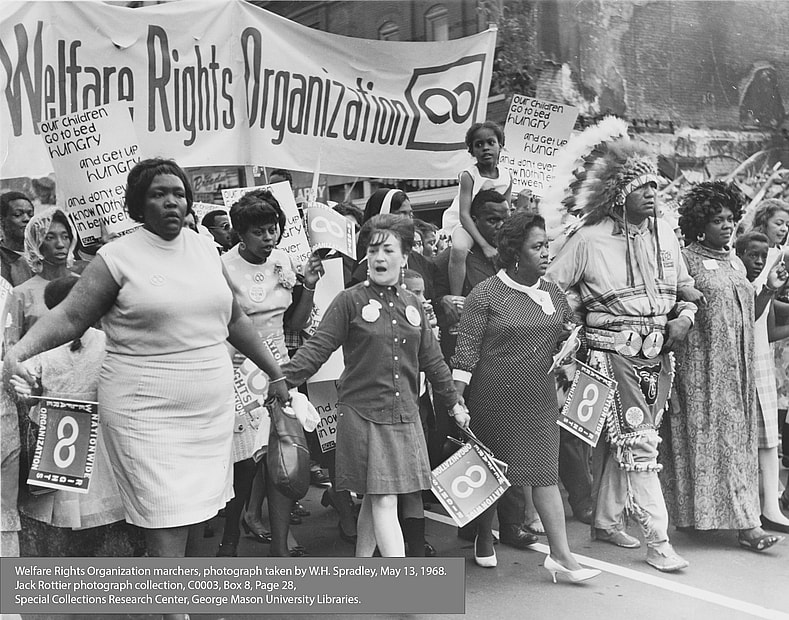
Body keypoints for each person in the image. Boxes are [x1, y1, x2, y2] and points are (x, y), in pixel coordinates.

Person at [3, 159, 289, 616]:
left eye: (178, 192)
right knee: (163, 511)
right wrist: (17, 353)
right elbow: (71, 316)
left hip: (207, 413)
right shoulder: (117, 258)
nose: (171, 200)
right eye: (159, 193)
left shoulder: (203, 249)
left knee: (195, 510)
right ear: (138, 204)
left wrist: (276, 374)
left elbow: (235, 320)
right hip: (145, 413)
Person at [547, 130, 695, 572]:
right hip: (610, 355)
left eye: (654, 186)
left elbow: (686, 287)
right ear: (618, 193)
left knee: (625, 442)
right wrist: (576, 329)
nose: (651, 193)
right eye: (641, 187)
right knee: (640, 443)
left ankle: (607, 521)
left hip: (659, 355)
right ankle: (659, 543)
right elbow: (552, 290)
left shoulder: (666, 233)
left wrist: (685, 317)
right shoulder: (588, 239)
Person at [282, 213, 469, 557]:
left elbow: (432, 361)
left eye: (388, 250)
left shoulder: (414, 303)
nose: (379, 257)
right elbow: (318, 348)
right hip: (363, 415)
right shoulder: (349, 300)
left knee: (376, 497)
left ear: (405, 256)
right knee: (384, 499)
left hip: (405, 415)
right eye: (372, 250)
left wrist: (455, 403)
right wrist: (281, 380)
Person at [452, 211, 600, 583]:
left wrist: (572, 344)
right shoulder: (485, 294)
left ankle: (561, 556)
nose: (546, 253)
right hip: (493, 401)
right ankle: (483, 536)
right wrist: (457, 401)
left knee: (545, 473)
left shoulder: (552, 292)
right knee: (492, 475)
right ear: (515, 251)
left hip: (540, 399)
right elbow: (466, 353)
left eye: (547, 245)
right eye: (537, 247)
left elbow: (569, 330)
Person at [664, 182, 784, 552]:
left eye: (730, 218)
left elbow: (750, 315)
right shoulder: (685, 261)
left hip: (738, 368)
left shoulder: (735, 261)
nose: (728, 225)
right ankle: (719, 521)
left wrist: (768, 289)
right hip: (699, 370)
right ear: (700, 225)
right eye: (718, 220)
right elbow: (672, 306)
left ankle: (746, 521)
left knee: (736, 443)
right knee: (701, 442)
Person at [10, 275, 142, 557]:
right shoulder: (107, 341)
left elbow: (27, 387)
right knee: (93, 503)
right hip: (91, 429)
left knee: (61, 504)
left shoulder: (42, 343)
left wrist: (31, 395)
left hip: (57, 433)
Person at [222, 188, 323, 558]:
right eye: (259, 232)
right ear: (240, 233)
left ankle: (280, 544)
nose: (269, 238)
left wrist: (308, 285)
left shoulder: (283, 261)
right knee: (245, 465)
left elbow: (295, 323)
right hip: (237, 371)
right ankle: (229, 541)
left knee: (283, 456)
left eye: (273, 229)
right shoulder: (222, 267)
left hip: (279, 371)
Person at [434, 190, 538, 550]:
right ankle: (474, 526)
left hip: (511, 363)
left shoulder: (513, 258)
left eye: (504, 217)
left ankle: (510, 525)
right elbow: (433, 305)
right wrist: (444, 302)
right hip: (469, 369)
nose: (499, 225)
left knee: (511, 443)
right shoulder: (451, 260)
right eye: (492, 219)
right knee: (477, 445)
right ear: (473, 220)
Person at [736, 230, 789, 533]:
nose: (758, 261)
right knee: (745, 439)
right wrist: (768, 289)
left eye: (763, 256)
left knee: (769, 438)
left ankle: (771, 507)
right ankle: (751, 510)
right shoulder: (741, 283)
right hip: (739, 364)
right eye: (752, 255)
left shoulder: (764, 285)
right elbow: (749, 319)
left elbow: (766, 331)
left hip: (761, 361)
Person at [443, 121, 512, 298]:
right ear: (472, 151)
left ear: (500, 146)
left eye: (491, 142)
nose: (485, 148)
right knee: (459, 249)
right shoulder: (469, 175)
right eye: (479, 145)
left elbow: (506, 211)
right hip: (465, 223)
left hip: (491, 223)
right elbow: (464, 215)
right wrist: (485, 246)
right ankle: (457, 297)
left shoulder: (507, 175)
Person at [749, 199, 789, 469]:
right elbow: (764, 299)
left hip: (769, 332)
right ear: (764, 221)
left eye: (787, 224)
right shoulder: (760, 253)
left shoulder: (780, 253)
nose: (784, 229)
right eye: (779, 223)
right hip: (757, 332)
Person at [8, 207, 77, 343]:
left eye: (65, 237)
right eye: (50, 238)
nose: (60, 244)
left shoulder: (84, 285)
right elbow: (11, 344)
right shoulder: (21, 294)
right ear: (36, 244)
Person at [0, 191, 34, 287]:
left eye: (30, 215)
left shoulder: (44, 254)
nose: (27, 219)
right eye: (18, 214)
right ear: (2, 221)